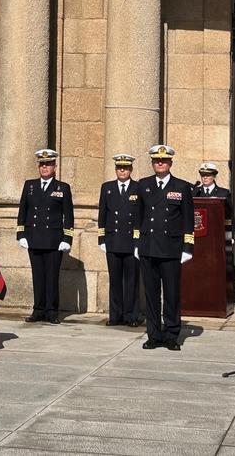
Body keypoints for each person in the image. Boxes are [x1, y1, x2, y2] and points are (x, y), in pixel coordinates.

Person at [135, 144, 194, 351]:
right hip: (148, 247)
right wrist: (136, 243)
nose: (160, 163)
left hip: (171, 248)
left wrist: (188, 247)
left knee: (171, 293)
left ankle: (171, 334)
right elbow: (138, 216)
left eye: (164, 160)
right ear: (152, 163)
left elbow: (188, 220)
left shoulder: (182, 187)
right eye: (156, 160)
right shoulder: (143, 184)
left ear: (170, 163)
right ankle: (153, 334)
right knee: (151, 294)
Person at [16, 149, 75, 324]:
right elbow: (23, 211)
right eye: (42, 164)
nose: (44, 167)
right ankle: (38, 309)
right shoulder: (30, 186)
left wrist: (67, 238)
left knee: (52, 276)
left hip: (54, 240)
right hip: (34, 238)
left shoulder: (62, 188)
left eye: (48, 164)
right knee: (38, 276)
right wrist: (21, 234)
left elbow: (69, 215)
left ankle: (52, 311)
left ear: (54, 167)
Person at [97, 154, 141, 327]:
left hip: (131, 242)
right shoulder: (107, 188)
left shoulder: (138, 188)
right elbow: (102, 214)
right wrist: (102, 237)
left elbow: (139, 216)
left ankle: (131, 316)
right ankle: (115, 316)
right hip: (113, 240)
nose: (122, 170)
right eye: (119, 167)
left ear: (131, 169)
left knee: (131, 281)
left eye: (125, 167)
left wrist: (139, 241)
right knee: (115, 281)